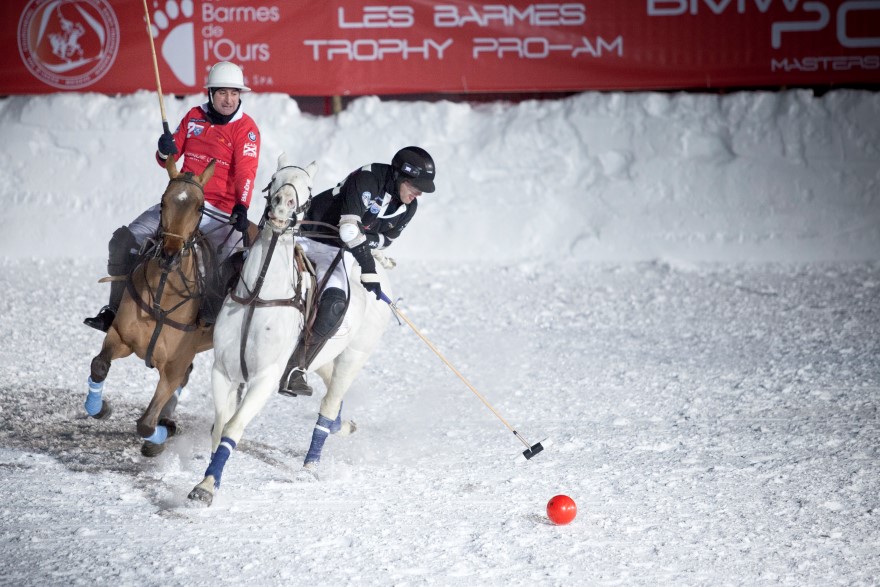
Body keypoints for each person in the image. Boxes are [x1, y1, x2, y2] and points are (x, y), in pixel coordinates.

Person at [84, 61, 261, 332]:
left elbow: (245, 173)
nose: (229, 100)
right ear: (211, 93)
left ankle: (211, 323)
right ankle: (114, 310)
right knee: (123, 241)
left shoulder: (245, 129)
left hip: (220, 211)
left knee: (229, 264)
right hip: (181, 203)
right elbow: (168, 158)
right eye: (222, 93)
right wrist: (164, 149)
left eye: (234, 93)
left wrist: (242, 206)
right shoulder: (194, 116)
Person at [279, 146, 436, 396]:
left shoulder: (409, 207)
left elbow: (385, 240)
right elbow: (349, 229)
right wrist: (368, 267)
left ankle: (295, 367)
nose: (418, 192)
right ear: (399, 175)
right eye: (415, 185)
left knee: (335, 304)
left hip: (335, 251)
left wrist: (362, 238)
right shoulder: (369, 178)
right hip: (304, 234)